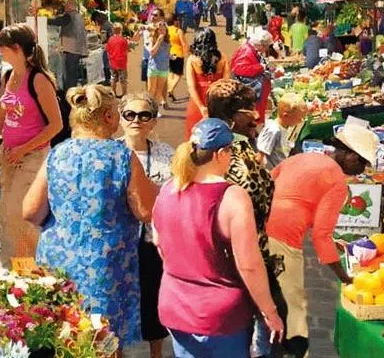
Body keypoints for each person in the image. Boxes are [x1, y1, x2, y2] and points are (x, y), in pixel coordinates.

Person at [23, 85, 158, 352]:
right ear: (109, 117)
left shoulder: (58, 154)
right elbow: (144, 210)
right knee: (104, 341)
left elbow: (30, 211)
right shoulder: (121, 156)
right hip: (105, 267)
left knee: (63, 335)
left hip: (58, 262)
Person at [153, 118, 284, 358]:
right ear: (221, 153)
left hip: (175, 306)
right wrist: (270, 312)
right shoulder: (232, 197)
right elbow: (249, 265)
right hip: (220, 315)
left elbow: (160, 244)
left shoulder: (168, 188)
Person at [266, 125, 375, 358]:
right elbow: (321, 237)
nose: (362, 170)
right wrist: (344, 278)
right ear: (351, 155)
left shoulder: (304, 158)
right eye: (363, 163)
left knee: (270, 296)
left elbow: (269, 182)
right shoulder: (337, 181)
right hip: (284, 237)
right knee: (294, 306)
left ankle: (269, 346)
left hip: (260, 229)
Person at [0, 24, 63, 258]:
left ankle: (36, 264)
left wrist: (24, 149)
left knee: (19, 213)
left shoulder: (39, 80)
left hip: (32, 157)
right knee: (11, 216)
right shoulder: (8, 76)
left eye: (2, 45)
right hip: (8, 155)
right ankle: (23, 264)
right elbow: (0, 116)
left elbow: (56, 125)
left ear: (16, 48)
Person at [205, 78, 279, 358]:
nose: (257, 116)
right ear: (231, 118)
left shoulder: (197, 149)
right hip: (240, 269)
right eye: (249, 110)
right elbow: (256, 209)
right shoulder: (239, 161)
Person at [119, 94, 174, 358]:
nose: (136, 121)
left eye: (144, 115)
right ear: (120, 118)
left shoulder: (167, 154)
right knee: (116, 302)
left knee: (154, 300)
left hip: (153, 240)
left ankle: (156, 354)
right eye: (130, 114)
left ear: (153, 121)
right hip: (118, 241)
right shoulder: (110, 152)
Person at [184, 28, 226, 141]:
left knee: (194, 137)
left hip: (198, 101)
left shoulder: (192, 60)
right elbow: (225, 84)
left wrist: (202, 107)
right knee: (217, 136)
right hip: (217, 101)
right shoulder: (223, 58)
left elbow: (191, 86)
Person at [230, 30, 273, 122]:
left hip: (253, 93)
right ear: (262, 44)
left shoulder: (250, 50)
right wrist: (260, 67)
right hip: (250, 93)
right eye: (266, 46)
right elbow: (240, 69)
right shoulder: (247, 51)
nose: (266, 49)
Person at [257, 93, 308, 170]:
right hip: (273, 171)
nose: (301, 121)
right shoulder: (273, 130)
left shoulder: (285, 127)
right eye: (299, 118)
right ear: (286, 116)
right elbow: (260, 155)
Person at [50, 0, 88, 91]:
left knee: (69, 74)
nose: (65, 8)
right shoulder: (79, 16)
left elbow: (58, 21)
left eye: (66, 6)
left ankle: (70, 93)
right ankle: (74, 91)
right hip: (78, 48)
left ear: (70, 7)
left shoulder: (69, 16)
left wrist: (44, 19)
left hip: (71, 49)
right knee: (73, 73)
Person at [147, 21, 171, 110]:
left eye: (163, 30)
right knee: (151, 90)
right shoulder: (152, 39)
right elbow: (152, 53)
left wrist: (171, 56)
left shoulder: (167, 40)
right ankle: (148, 109)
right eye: (160, 30)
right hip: (154, 67)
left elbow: (167, 53)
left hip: (164, 68)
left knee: (159, 90)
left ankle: (155, 110)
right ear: (156, 31)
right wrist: (158, 40)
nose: (162, 32)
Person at [166, 15, 187, 103]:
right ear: (174, 21)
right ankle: (170, 89)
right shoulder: (178, 31)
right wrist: (187, 53)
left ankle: (171, 90)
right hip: (178, 53)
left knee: (171, 72)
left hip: (170, 53)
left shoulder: (167, 30)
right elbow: (184, 43)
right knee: (178, 74)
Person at [106, 23, 129, 98]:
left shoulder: (110, 39)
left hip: (113, 62)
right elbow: (126, 50)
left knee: (113, 78)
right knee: (123, 79)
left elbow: (108, 50)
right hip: (121, 63)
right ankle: (124, 93)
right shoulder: (123, 40)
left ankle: (113, 93)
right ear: (121, 30)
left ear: (113, 30)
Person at [94, 12, 115, 85]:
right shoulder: (108, 23)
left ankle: (107, 79)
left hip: (108, 46)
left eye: (96, 19)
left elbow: (103, 38)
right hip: (112, 44)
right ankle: (110, 78)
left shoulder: (104, 26)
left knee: (106, 63)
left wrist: (97, 37)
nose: (96, 22)